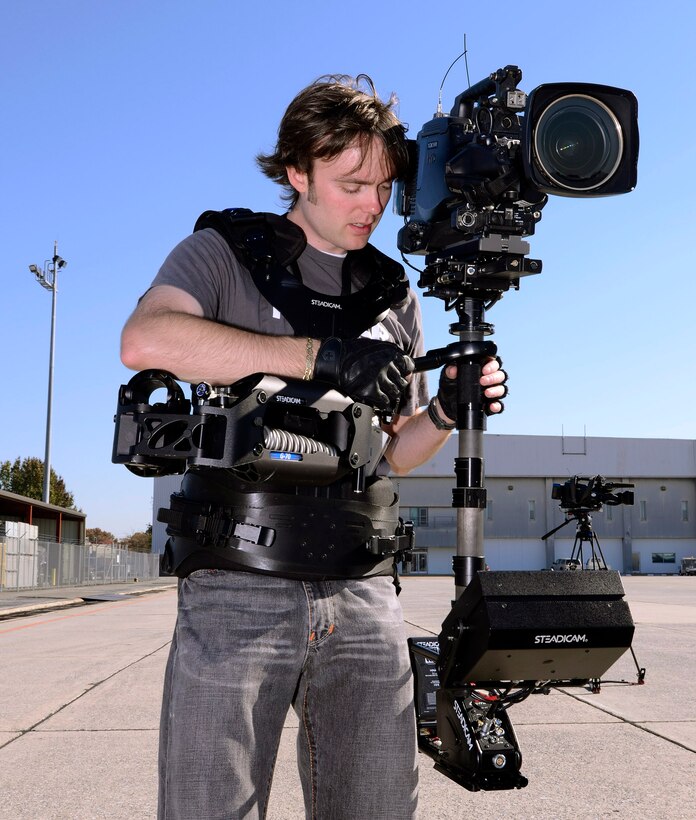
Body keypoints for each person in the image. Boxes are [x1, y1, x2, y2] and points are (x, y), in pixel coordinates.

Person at [120, 74, 507, 820]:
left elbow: (395, 452)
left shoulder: (394, 294)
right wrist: (317, 358)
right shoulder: (223, 252)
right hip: (238, 582)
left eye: (384, 187)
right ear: (298, 171)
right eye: (351, 184)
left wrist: (450, 412)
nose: (371, 205)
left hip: (363, 593)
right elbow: (145, 339)